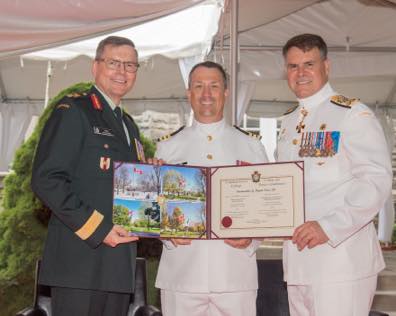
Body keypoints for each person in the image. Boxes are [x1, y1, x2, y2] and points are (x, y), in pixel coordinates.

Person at [277, 33, 392, 316]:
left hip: (340, 261)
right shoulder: (289, 121)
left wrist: (328, 226)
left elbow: (376, 181)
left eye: (308, 64)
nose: (300, 73)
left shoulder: (352, 115)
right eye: (293, 66)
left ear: (326, 66)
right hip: (298, 263)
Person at [31, 36, 144, 316]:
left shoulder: (129, 126)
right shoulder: (74, 111)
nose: (122, 71)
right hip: (79, 265)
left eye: (130, 65)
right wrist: (99, 228)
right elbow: (47, 179)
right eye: (113, 62)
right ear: (95, 67)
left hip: (117, 267)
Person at [154, 61, 269, 316]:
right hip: (181, 273)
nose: (206, 94)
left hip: (235, 275)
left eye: (214, 86)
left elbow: (266, 207)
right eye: (199, 86)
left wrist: (252, 239)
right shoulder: (168, 148)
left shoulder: (251, 146)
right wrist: (167, 235)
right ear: (189, 93)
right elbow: (155, 207)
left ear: (226, 93)